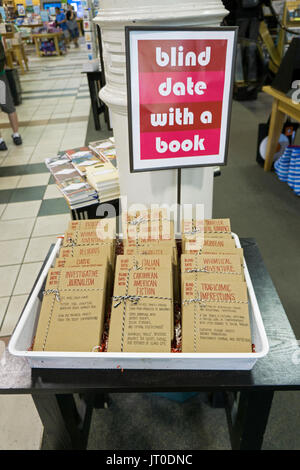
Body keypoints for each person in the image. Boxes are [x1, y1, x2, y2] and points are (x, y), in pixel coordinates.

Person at [0, 33, 22, 150]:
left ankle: (1, 141)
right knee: (8, 105)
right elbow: (4, 54)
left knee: (8, 106)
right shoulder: (0, 36)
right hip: (0, 78)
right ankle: (16, 135)